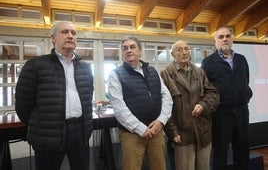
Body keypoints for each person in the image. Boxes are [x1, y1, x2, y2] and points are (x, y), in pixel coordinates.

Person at [15, 21, 94, 170]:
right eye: (65, 32)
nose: (70, 36)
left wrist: (86, 129)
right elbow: (22, 105)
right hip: (48, 133)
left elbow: (87, 97)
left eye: (73, 33)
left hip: (79, 132)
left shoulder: (85, 67)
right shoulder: (35, 65)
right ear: (53, 38)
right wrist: (40, 124)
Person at [108, 36, 173, 170]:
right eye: (125, 48)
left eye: (132, 47)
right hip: (131, 134)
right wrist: (141, 129)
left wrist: (161, 121)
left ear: (140, 50)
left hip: (156, 131)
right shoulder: (116, 74)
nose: (128, 50)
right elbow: (119, 108)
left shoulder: (153, 71)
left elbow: (167, 97)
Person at [160, 40, 219, 170]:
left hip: (203, 131)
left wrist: (203, 105)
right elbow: (164, 107)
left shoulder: (199, 72)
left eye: (187, 49)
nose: (184, 52)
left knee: (204, 167)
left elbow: (213, 94)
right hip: (182, 134)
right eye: (179, 50)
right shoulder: (165, 74)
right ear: (172, 54)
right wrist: (173, 132)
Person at [201, 27, 253, 170]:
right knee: (220, 152)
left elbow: (245, 81)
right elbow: (205, 89)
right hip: (220, 115)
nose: (225, 39)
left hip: (242, 112)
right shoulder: (208, 62)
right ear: (215, 41)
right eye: (221, 37)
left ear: (232, 39)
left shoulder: (241, 59)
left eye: (228, 36)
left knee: (242, 150)